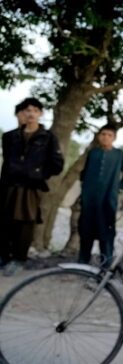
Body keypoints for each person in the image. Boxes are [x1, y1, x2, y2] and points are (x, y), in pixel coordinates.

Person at [0, 97, 63, 276]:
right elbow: (6, 162)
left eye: (35, 110)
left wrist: (38, 174)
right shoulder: (10, 136)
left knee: (25, 224)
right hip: (9, 185)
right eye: (27, 110)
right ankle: (4, 257)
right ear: (23, 113)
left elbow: (57, 164)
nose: (31, 114)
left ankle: (19, 260)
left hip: (31, 187)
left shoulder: (48, 138)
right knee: (5, 222)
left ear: (40, 114)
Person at [77, 124, 123, 265]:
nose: (105, 137)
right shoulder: (93, 153)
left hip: (107, 201)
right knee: (86, 230)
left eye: (109, 135)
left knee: (106, 232)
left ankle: (106, 264)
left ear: (114, 138)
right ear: (98, 136)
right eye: (103, 134)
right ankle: (82, 262)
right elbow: (83, 174)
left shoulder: (119, 155)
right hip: (89, 200)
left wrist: (117, 188)